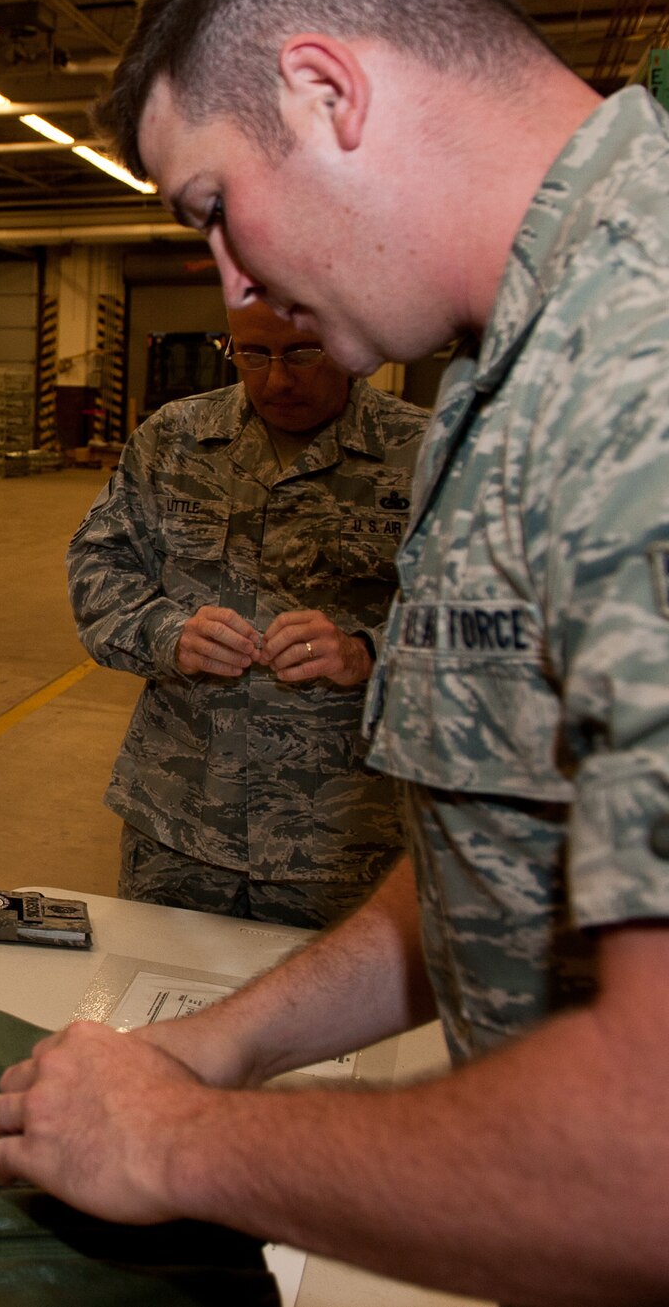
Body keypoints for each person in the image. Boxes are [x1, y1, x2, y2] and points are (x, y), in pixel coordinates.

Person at [0, 0, 669, 1301]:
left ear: (323, 91)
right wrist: (222, 1041)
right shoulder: (525, 362)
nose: (242, 283)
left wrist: (187, 1142)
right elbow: (508, 852)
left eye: (219, 208)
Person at [69, 302, 425, 928]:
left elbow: (494, 623)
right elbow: (99, 567)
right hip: (179, 822)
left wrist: (369, 650)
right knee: (154, 1007)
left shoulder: (424, 453)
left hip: (348, 838)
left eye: (303, 354)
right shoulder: (174, 438)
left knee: (334, 1024)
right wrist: (165, 633)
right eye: (252, 355)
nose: (276, 380)